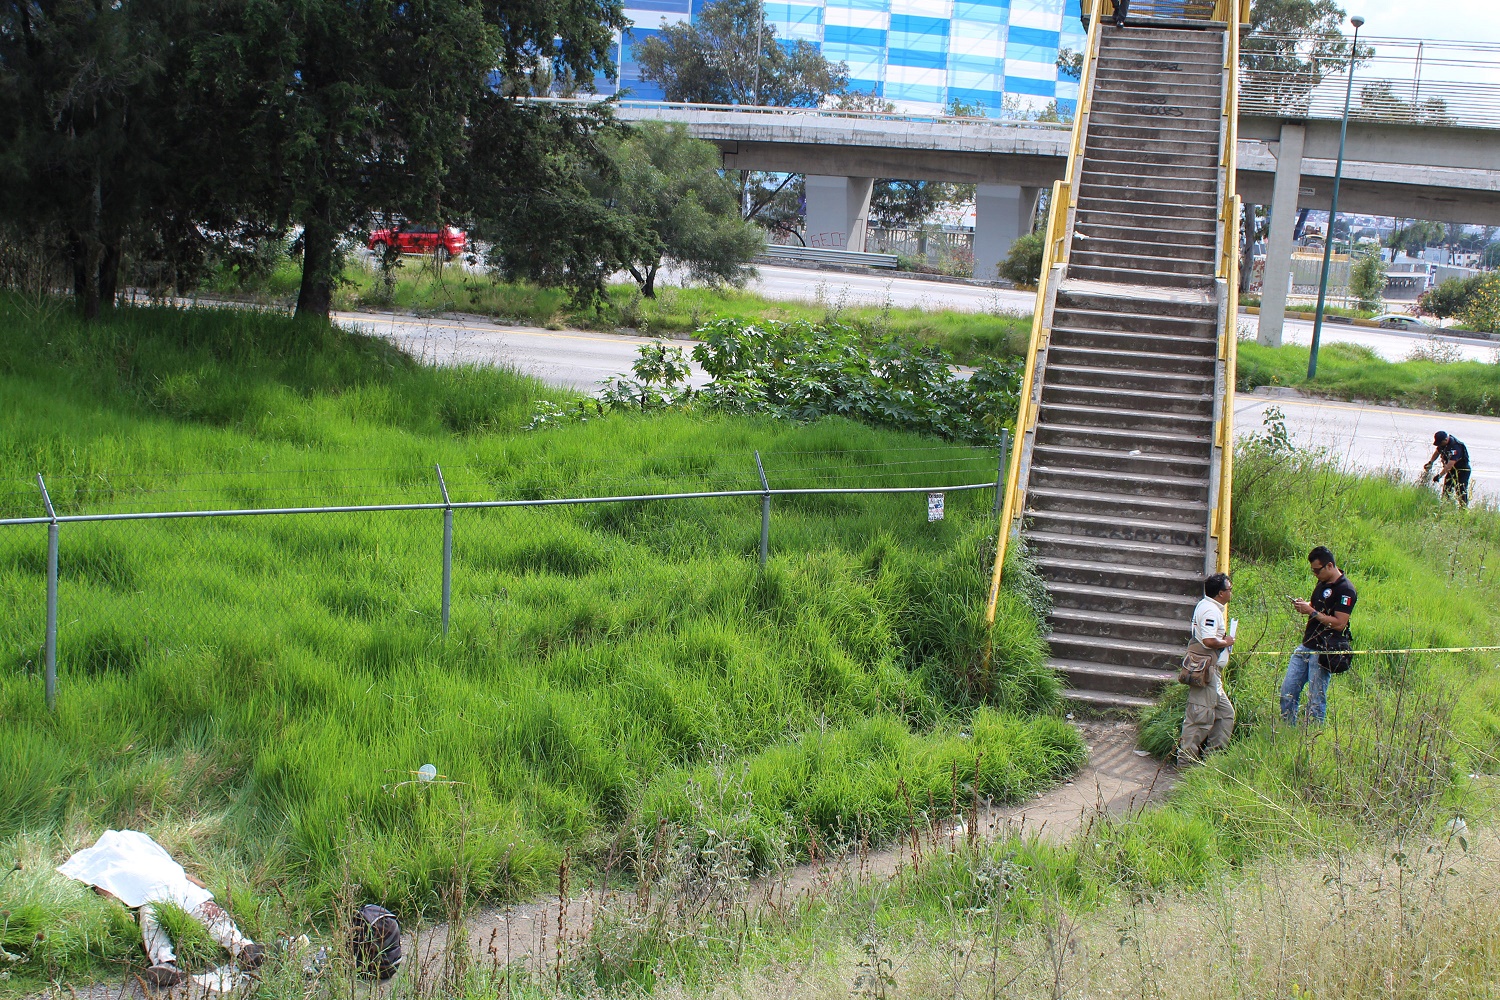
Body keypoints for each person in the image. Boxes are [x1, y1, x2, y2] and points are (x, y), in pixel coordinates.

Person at [57, 830, 265, 987]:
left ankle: (244, 948)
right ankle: (166, 963)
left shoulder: (153, 858)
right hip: (151, 894)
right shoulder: (113, 862)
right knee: (152, 919)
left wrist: (193, 882)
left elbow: (190, 878)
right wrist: (118, 909)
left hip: (175, 886)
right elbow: (107, 885)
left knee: (208, 911)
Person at [1279, 546, 1357, 725]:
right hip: (1306, 644)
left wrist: (1311, 611)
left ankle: (1313, 736)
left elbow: (1339, 623)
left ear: (1329, 566)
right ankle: (1286, 729)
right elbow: (1317, 607)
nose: (1315, 574)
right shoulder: (1322, 583)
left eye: (1317, 570)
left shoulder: (1346, 590)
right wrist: (1305, 606)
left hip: (1324, 650)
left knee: (1316, 699)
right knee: (1288, 691)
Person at [1179, 573, 1236, 766]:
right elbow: (1209, 641)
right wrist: (1226, 641)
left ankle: (1213, 760)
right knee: (1199, 718)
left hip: (1212, 674)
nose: (1231, 593)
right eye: (1229, 590)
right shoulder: (1211, 611)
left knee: (1226, 714)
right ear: (1221, 593)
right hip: (1206, 672)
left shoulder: (1207, 606)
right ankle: (1186, 764)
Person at [1423, 430, 1472, 508]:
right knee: (1447, 489)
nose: (1439, 445)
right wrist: (1431, 462)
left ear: (1446, 440)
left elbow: (1450, 464)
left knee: (1460, 491)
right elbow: (1437, 452)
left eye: (1440, 443)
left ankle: (1463, 509)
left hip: (1462, 471)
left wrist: (1439, 476)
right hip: (1452, 470)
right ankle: (1444, 507)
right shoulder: (1443, 444)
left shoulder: (1455, 446)